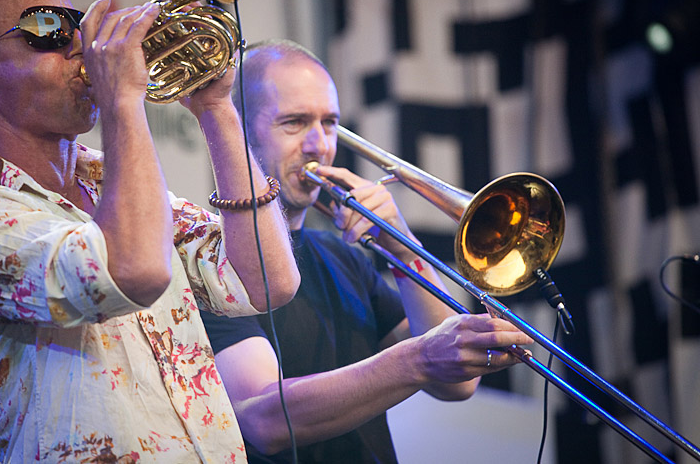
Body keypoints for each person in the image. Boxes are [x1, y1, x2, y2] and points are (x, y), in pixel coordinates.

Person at [0, 0, 300, 463]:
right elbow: (132, 271)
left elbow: (266, 280)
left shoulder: (109, 185)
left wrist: (216, 108)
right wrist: (122, 99)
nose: (80, 46)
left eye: (77, 25)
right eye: (47, 27)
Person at [199, 39, 535, 463]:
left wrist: (400, 241)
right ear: (241, 131)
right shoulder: (207, 260)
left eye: (329, 123)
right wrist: (416, 359)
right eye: (294, 123)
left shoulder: (344, 257)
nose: (319, 144)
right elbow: (267, 421)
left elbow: (457, 385)